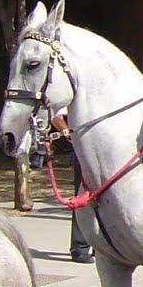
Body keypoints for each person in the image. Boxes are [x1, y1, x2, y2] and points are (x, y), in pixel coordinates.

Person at [50, 110, 93, 264]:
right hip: (85, 146)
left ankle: (103, 244)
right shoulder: (75, 90)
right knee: (83, 195)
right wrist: (67, 132)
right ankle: (80, 247)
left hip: (110, 147)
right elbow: (56, 115)